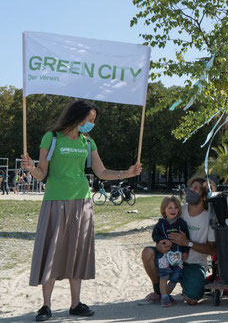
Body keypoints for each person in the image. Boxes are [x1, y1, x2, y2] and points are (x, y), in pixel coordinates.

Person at [21, 100, 142, 321]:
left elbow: (102, 171)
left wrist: (127, 173)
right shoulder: (52, 138)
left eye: (93, 120)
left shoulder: (88, 142)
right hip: (55, 201)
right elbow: (41, 173)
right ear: (77, 117)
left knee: (76, 253)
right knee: (52, 251)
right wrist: (30, 169)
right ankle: (45, 306)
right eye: (90, 120)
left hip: (82, 203)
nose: (92, 124)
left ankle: (75, 304)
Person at [141, 176, 216, 305]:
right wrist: (160, 245)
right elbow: (162, 228)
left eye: (196, 188)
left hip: (194, 263)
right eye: (190, 187)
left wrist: (188, 243)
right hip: (170, 258)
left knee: (192, 299)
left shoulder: (210, 217)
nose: (190, 190)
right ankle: (159, 291)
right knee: (147, 253)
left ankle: (192, 283)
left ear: (204, 195)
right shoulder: (180, 210)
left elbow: (212, 249)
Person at [152, 196, 190, 307]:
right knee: (164, 276)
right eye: (169, 208)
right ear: (164, 209)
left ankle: (166, 295)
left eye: (176, 208)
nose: (173, 210)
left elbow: (187, 238)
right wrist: (161, 241)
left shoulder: (181, 223)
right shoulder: (161, 224)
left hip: (178, 256)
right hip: (164, 256)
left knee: (175, 277)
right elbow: (154, 236)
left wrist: (185, 251)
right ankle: (164, 298)